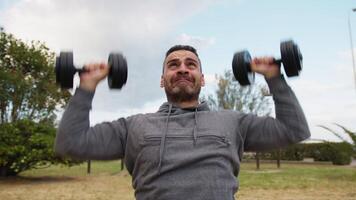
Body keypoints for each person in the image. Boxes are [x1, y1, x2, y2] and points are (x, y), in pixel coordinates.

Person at [55, 45, 310, 200]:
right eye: (173, 65)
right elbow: (71, 143)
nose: (183, 69)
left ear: (202, 78)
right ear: (162, 80)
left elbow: (294, 130)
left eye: (191, 65)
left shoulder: (234, 122)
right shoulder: (134, 125)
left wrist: (275, 77)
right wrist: (87, 85)